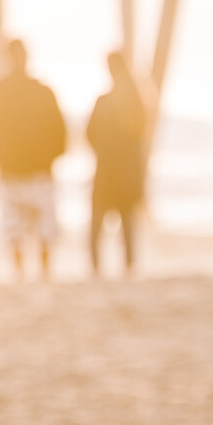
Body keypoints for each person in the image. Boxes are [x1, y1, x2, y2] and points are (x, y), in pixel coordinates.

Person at [0, 40, 67, 280]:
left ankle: (27, 273)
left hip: (20, 170)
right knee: (38, 227)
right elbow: (60, 130)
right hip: (32, 170)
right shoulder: (42, 91)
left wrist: (0, 159)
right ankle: (38, 272)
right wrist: (51, 157)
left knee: (19, 228)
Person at [84, 51, 150, 276]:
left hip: (111, 170)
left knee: (102, 221)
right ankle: (122, 267)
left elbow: (90, 134)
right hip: (123, 170)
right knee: (123, 221)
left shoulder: (109, 101)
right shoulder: (135, 99)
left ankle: (101, 268)